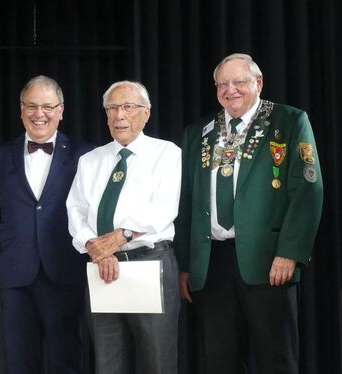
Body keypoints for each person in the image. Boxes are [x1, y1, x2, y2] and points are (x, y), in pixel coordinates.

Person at [175, 53, 324, 373]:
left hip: (269, 261)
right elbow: (185, 201)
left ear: (258, 83)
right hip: (211, 263)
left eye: (239, 82)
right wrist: (186, 265)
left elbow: (308, 191)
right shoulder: (197, 131)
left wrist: (290, 253)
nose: (231, 90)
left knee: (276, 360)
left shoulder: (289, 120)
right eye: (222, 84)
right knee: (218, 362)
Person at [0, 75, 93, 374]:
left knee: (67, 360)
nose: (39, 114)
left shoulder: (86, 155)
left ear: (61, 110)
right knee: (19, 362)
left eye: (47, 106)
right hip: (15, 273)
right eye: (31, 106)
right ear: (21, 110)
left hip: (66, 269)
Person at [66, 80, 182, 374]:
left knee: (157, 362)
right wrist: (96, 249)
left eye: (128, 107)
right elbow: (75, 211)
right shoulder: (90, 160)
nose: (120, 116)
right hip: (103, 269)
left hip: (149, 263)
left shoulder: (167, 154)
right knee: (107, 363)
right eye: (112, 108)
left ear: (146, 113)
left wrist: (121, 237)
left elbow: (163, 209)